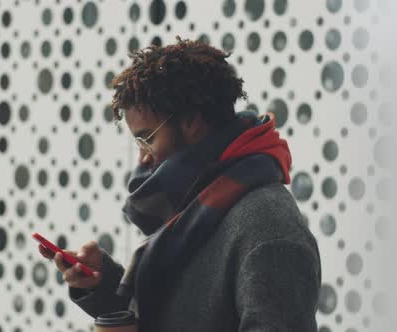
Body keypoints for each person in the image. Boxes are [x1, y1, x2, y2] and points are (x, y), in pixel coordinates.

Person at [39, 36, 321, 332]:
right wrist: (105, 283)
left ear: (192, 123)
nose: (143, 158)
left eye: (147, 138)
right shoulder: (200, 205)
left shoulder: (269, 229)